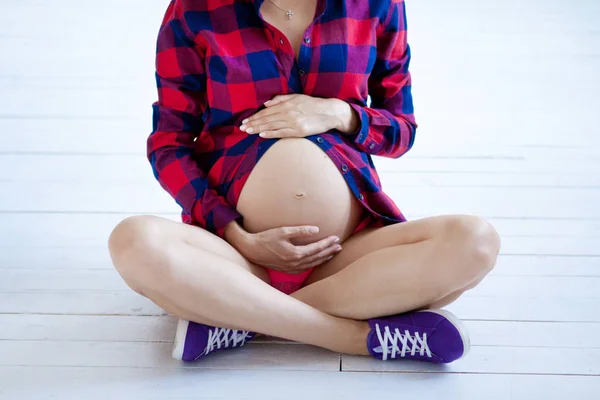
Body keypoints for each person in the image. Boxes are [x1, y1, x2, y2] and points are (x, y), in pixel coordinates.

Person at [108, 0, 501, 364]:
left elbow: (401, 130)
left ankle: (234, 314)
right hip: (234, 256)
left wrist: (340, 114)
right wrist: (234, 232)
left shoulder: (377, 4)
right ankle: (351, 336)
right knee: (133, 240)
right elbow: (169, 145)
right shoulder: (196, 9)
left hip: (345, 258)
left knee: (475, 242)